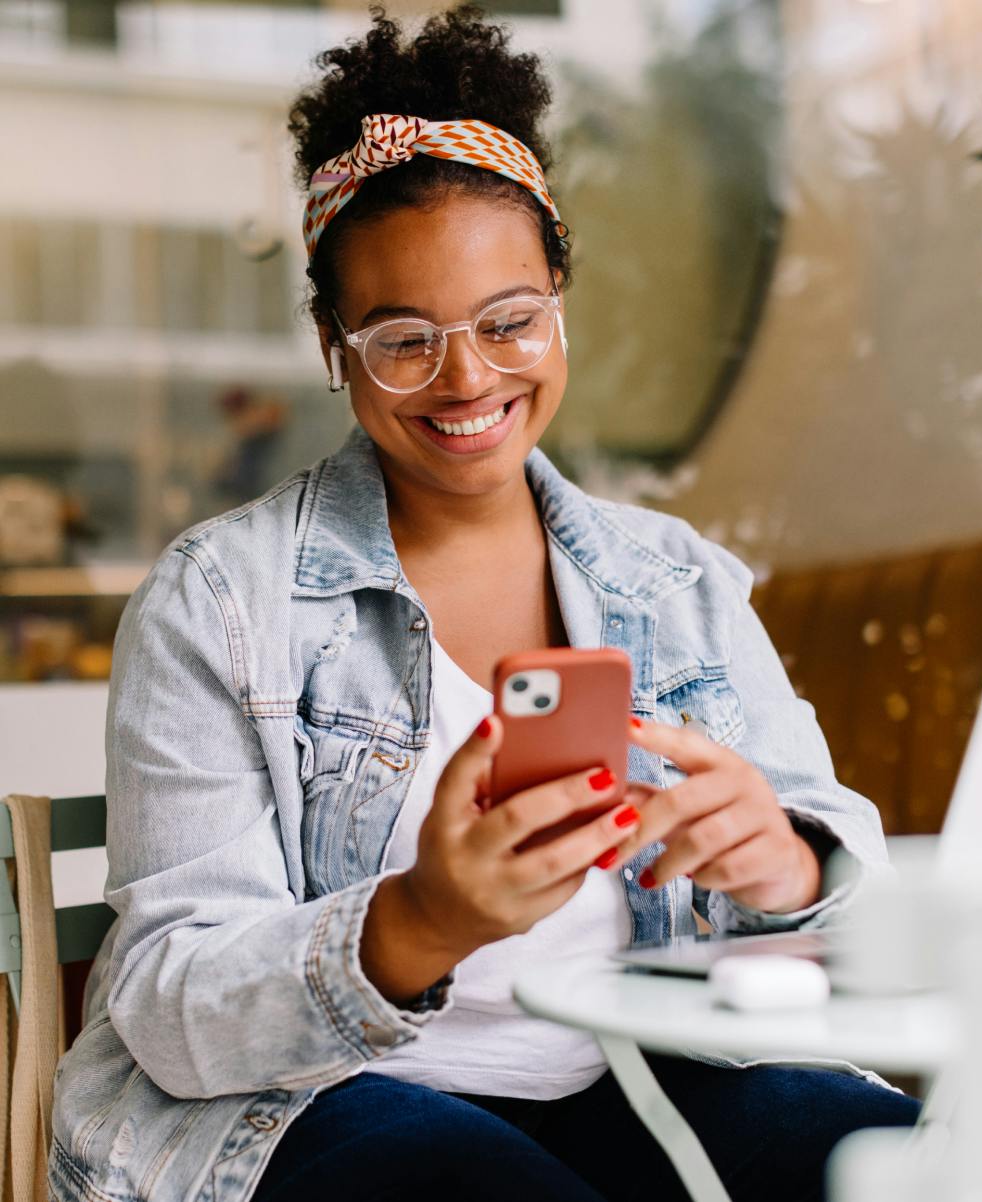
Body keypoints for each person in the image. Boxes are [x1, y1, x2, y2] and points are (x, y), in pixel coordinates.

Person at [50, 7, 919, 1201]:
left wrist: (783, 861)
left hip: (643, 1066)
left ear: (558, 294)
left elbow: (839, 867)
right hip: (317, 1103)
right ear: (331, 342)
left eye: (509, 320)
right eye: (403, 338)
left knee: (906, 1168)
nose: (468, 379)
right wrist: (414, 921)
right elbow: (164, 998)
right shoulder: (216, 601)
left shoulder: (678, 579)